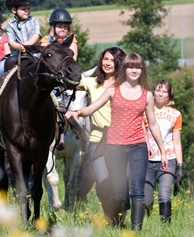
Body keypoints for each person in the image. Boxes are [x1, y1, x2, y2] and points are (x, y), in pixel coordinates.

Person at [66, 53, 168, 230]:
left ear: (142, 70)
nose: (134, 70)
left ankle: (136, 231)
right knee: (119, 192)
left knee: (137, 191)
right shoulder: (113, 90)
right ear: (125, 69)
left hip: (138, 146)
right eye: (131, 66)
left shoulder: (147, 95)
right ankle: (114, 221)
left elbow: (153, 124)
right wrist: (77, 112)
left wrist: (163, 151)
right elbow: (92, 108)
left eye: (137, 67)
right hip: (114, 147)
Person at [75, 48, 126, 206]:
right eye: (105, 59)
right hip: (97, 141)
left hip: (121, 141)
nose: (107, 63)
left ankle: (118, 217)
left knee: (119, 184)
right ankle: (109, 216)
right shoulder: (92, 83)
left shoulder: (125, 86)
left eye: (111, 60)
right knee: (103, 184)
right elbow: (70, 82)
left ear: (119, 63)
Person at [0, 0, 41, 100]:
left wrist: (29, 44)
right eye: (23, 9)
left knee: (47, 66)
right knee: (1, 65)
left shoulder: (33, 21)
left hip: (33, 53)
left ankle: (56, 93)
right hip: (17, 54)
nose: (27, 11)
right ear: (14, 10)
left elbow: (36, 35)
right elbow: (11, 42)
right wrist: (20, 47)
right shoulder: (11, 25)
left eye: (28, 8)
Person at [144, 79, 183, 223]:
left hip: (168, 159)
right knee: (146, 199)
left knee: (164, 195)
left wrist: (180, 165)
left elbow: (177, 142)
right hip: (147, 159)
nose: (160, 94)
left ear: (169, 95)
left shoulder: (175, 114)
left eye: (164, 91)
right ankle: (146, 225)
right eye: (158, 90)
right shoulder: (144, 110)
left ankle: (166, 228)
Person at [40, 8, 78, 113]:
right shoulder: (46, 40)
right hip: (53, 71)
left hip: (67, 70)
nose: (63, 29)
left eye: (65, 26)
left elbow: (73, 58)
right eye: (60, 26)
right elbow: (45, 59)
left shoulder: (72, 40)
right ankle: (59, 100)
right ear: (53, 27)